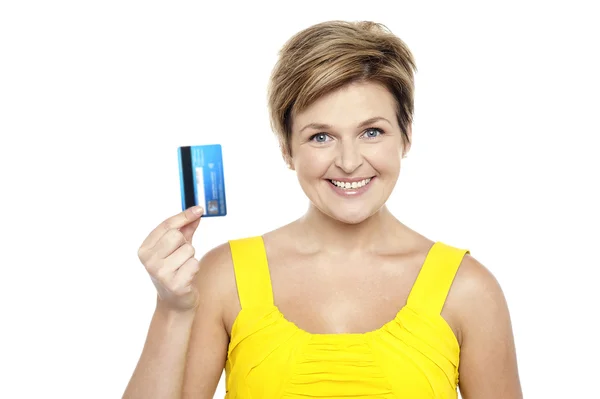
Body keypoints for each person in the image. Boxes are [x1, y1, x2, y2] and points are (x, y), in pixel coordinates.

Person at [123, 20, 522, 399]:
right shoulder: (223, 276)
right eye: (320, 136)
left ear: (406, 136)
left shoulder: (468, 289)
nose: (348, 162)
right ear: (286, 149)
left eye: (372, 132)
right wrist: (171, 310)